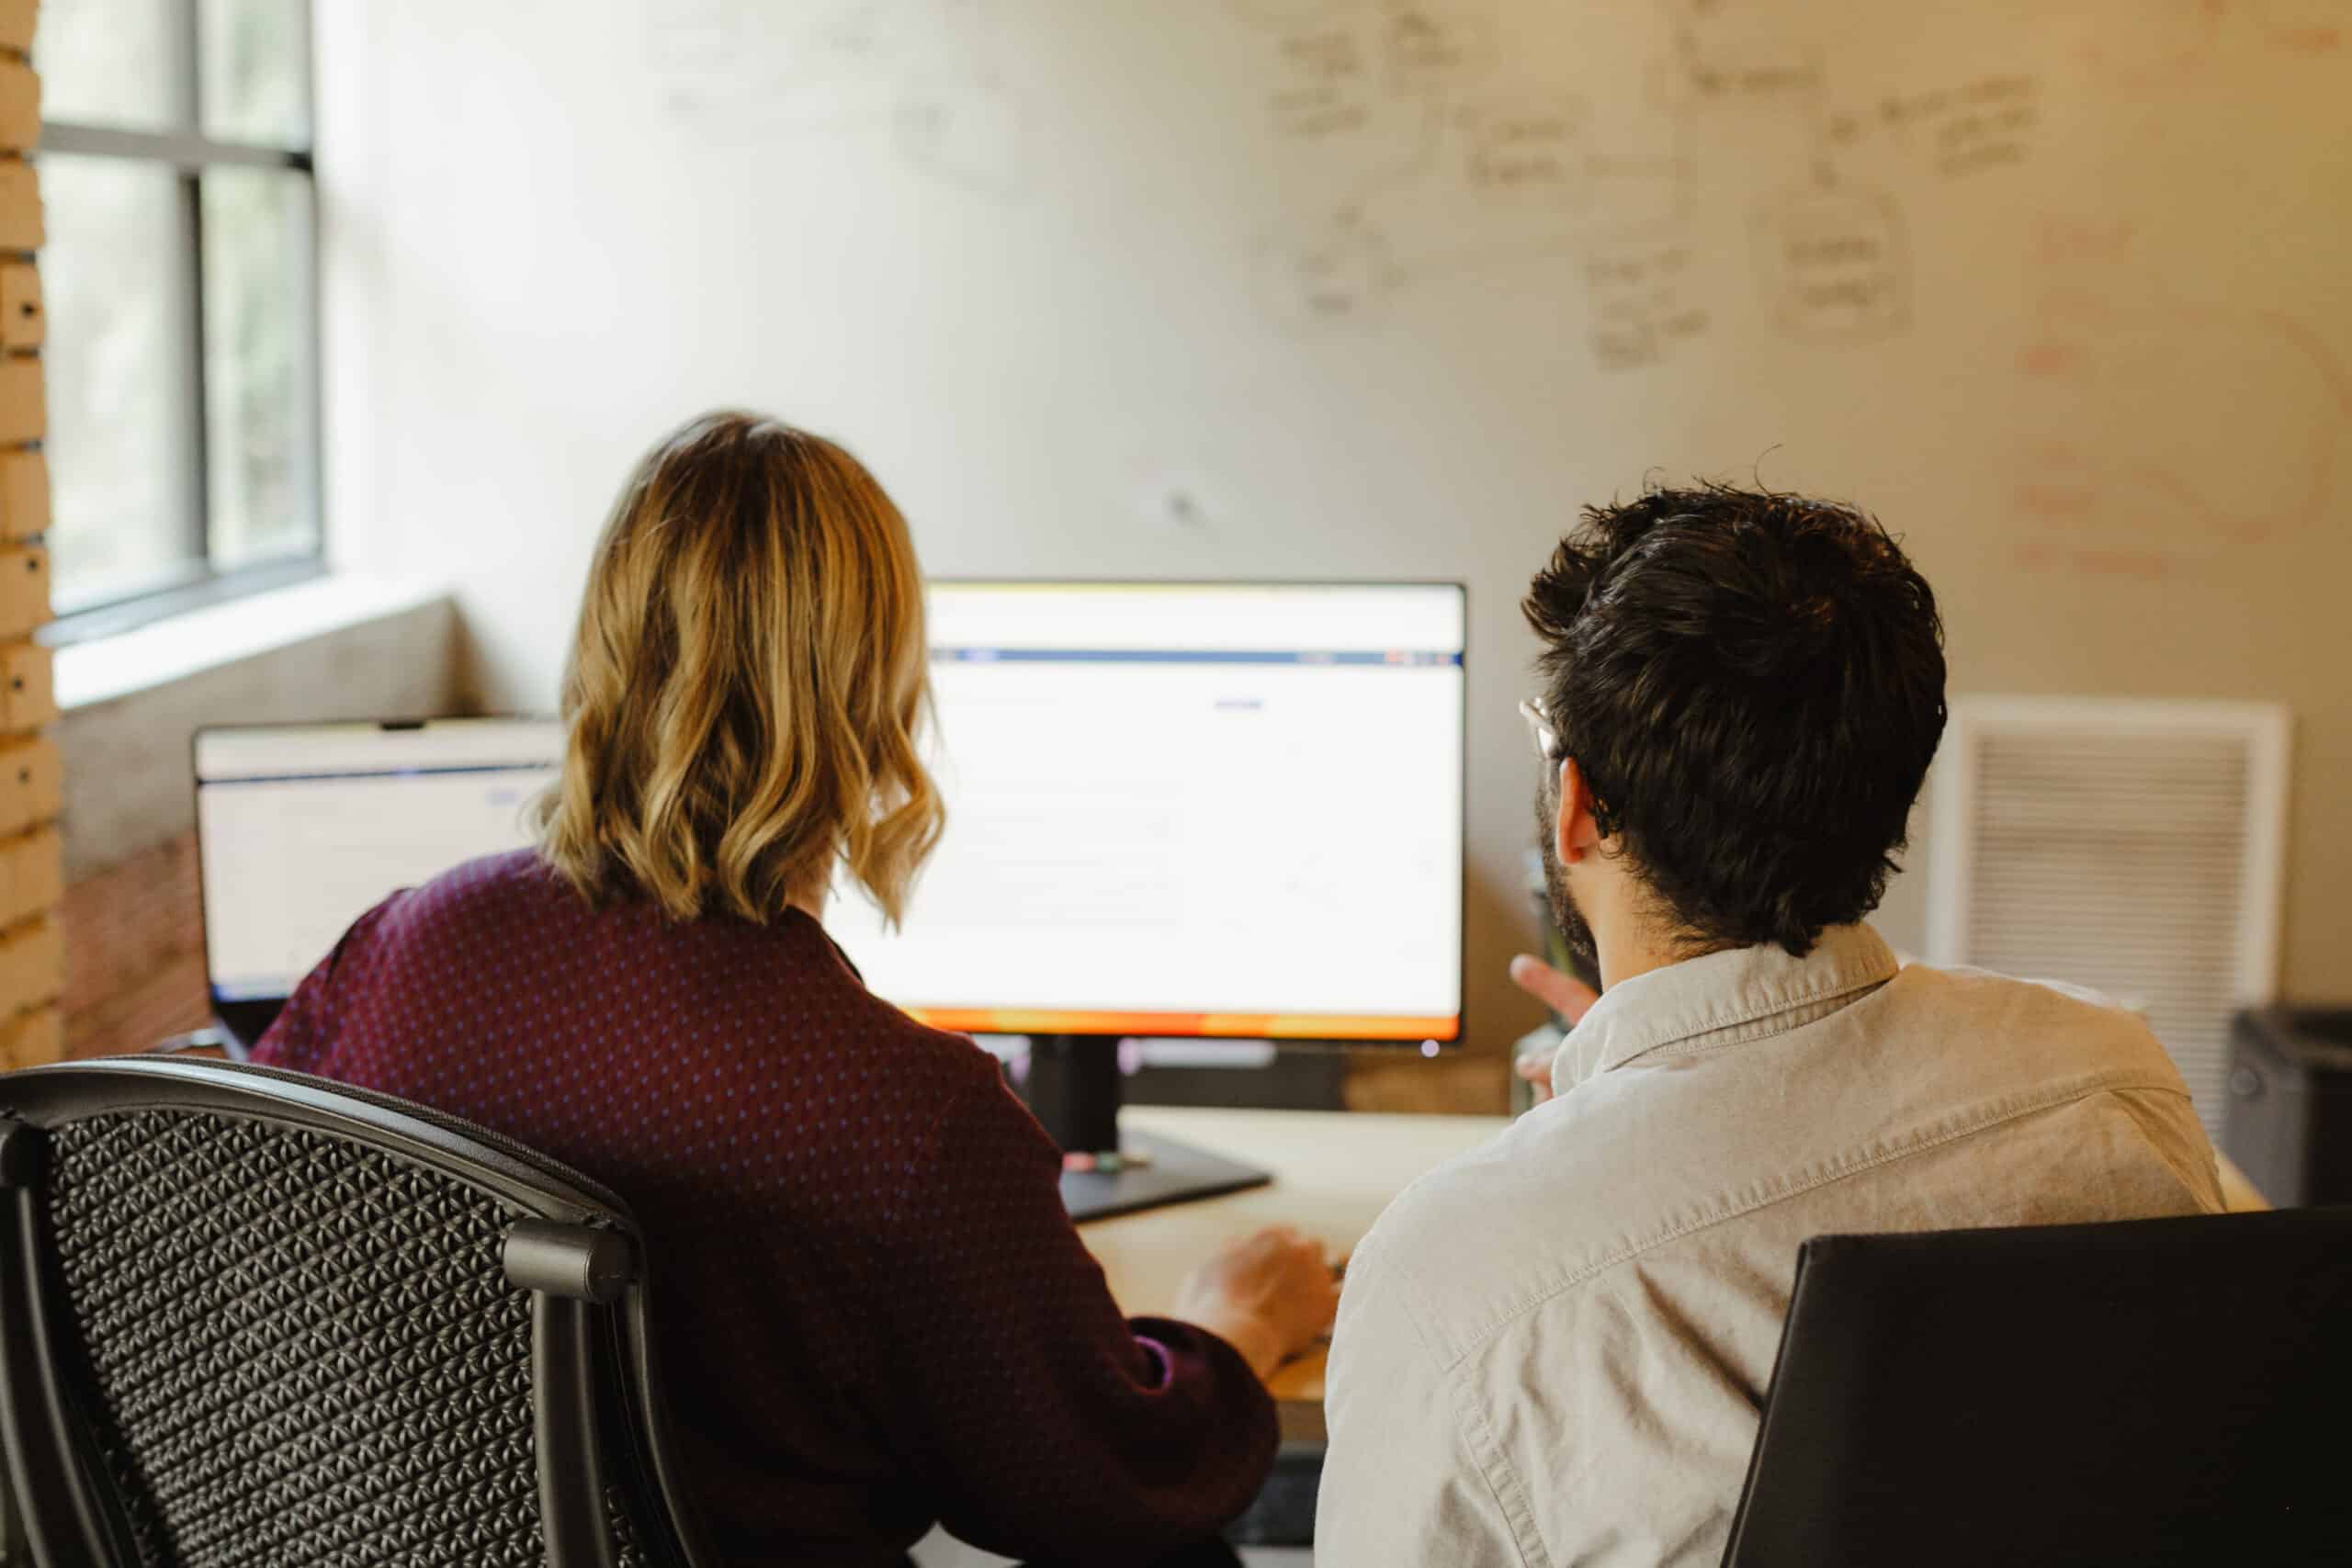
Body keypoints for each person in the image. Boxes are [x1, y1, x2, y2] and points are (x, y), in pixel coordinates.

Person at [254, 412, 1337, 1567]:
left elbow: (232, 1196)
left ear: (603, 649)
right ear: (880, 700)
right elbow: (1103, 1489)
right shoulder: (906, 1114)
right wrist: (1235, 1326)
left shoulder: (407, 943)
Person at [1315, 484, 2223, 1567]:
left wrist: (1572, 1163)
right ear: (1886, 795)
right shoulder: (2109, 1078)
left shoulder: (1450, 1266)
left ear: (1577, 808)